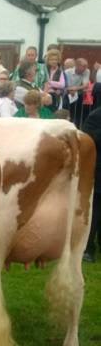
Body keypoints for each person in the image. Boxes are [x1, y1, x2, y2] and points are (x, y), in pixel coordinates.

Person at [82, 105, 101, 262]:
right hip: (97, 172)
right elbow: (88, 139)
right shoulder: (95, 116)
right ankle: (88, 249)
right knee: (93, 213)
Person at [65, 58, 90, 124]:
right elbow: (66, 86)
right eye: (83, 66)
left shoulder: (87, 71)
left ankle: (78, 124)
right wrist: (74, 89)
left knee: (84, 100)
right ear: (77, 65)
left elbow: (85, 85)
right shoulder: (67, 72)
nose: (85, 68)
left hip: (78, 93)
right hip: (66, 93)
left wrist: (76, 88)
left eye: (86, 66)